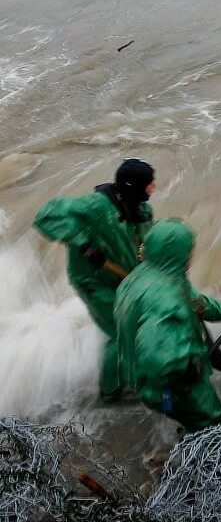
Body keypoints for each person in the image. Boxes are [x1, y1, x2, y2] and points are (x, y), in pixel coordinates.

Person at [33, 159, 156, 403]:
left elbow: (144, 243)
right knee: (121, 332)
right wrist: (84, 244)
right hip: (94, 282)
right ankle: (109, 394)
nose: (154, 187)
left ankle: (133, 375)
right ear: (133, 187)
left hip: (124, 278)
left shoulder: (141, 210)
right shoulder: (95, 207)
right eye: (149, 183)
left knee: (143, 324)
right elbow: (45, 216)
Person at [114, 219, 221, 433]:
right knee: (210, 419)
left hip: (137, 374)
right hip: (171, 383)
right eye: (188, 251)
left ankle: (190, 432)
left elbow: (195, 301)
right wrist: (184, 367)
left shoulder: (145, 276)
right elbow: (154, 353)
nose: (191, 257)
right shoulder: (166, 301)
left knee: (193, 417)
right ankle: (204, 456)